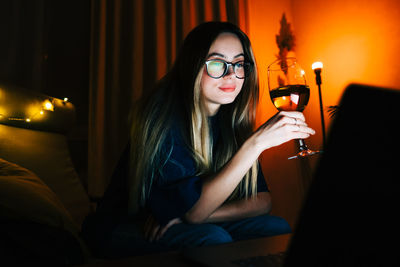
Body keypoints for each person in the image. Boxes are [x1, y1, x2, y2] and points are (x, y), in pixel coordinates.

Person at [82, 21, 315, 258]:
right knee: (214, 239)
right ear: (193, 65)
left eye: (238, 64)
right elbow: (194, 213)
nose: (231, 75)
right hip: (126, 226)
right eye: (216, 63)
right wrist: (255, 145)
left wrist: (199, 214)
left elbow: (262, 201)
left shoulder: (231, 120)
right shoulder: (164, 118)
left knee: (276, 228)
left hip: (188, 217)